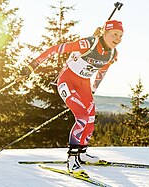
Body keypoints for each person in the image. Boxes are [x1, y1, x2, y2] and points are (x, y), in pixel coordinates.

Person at [22, 20, 123, 177]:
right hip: (67, 81)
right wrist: (32, 65)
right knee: (81, 117)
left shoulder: (112, 53)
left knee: (90, 119)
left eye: (121, 35)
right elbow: (55, 49)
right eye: (115, 34)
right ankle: (72, 160)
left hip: (84, 86)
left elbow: (102, 71)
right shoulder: (87, 43)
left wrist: (94, 89)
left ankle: (82, 154)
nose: (118, 38)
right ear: (105, 33)